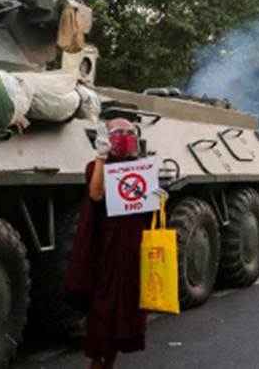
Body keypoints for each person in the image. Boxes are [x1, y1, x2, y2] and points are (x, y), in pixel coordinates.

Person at [65, 117, 149, 369]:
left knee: (126, 314)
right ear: (107, 137)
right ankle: (98, 363)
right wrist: (101, 156)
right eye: (118, 132)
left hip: (132, 252)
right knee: (103, 315)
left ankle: (109, 363)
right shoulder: (96, 166)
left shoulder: (138, 168)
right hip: (106, 253)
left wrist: (157, 196)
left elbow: (141, 201)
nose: (124, 135)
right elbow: (96, 193)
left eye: (128, 131)